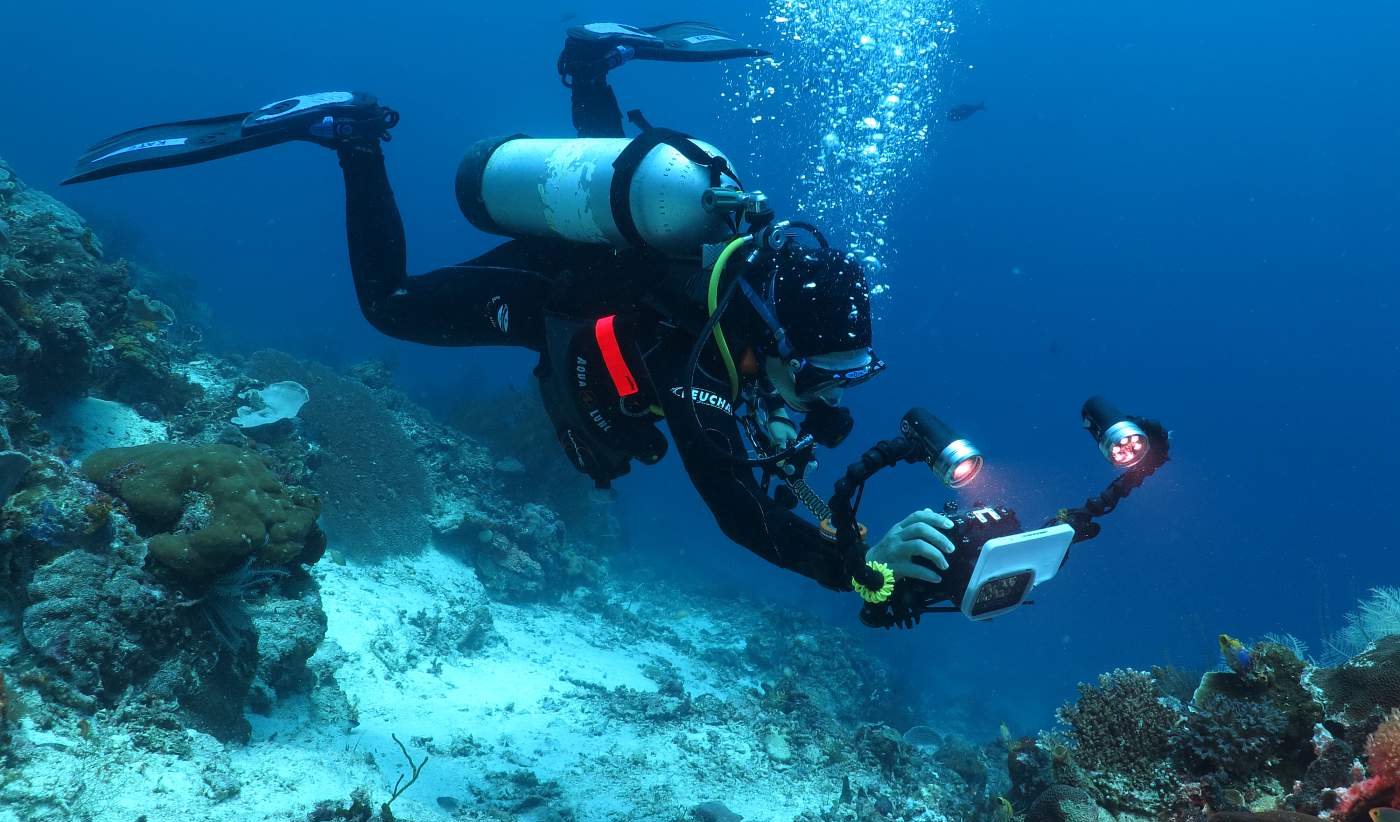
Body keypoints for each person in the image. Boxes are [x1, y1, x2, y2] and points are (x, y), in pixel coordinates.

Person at [63, 22, 958, 598]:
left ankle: (590, 62)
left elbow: (788, 416)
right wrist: (860, 571)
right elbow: (740, 512)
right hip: (556, 290)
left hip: (613, 240)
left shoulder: (755, 285)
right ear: (781, 340)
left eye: (850, 375)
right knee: (391, 307)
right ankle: (355, 138)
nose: (830, 391)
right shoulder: (699, 367)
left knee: (603, 200)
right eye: (826, 372)